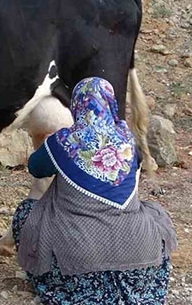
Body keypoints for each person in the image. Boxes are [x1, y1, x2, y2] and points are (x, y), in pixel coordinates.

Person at [11, 77, 178, 305]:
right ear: (111, 104)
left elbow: (36, 168)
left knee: (26, 213)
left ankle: (61, 284)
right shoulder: (128, 140)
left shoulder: (63, 141)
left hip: (77, 260)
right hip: (138, 257)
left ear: (77, 106)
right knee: (154, 212)